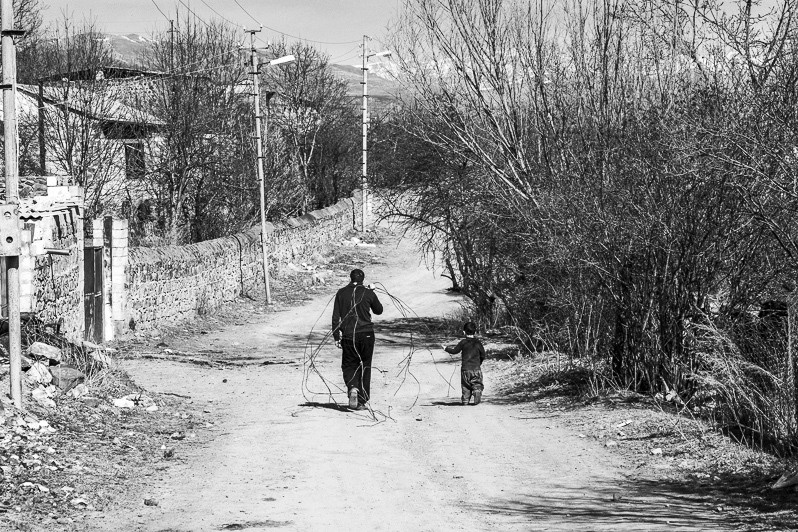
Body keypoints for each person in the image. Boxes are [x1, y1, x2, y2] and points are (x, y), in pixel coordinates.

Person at [332, 269, 383, 410]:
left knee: (349, 365)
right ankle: (361, 401)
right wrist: (372, 292)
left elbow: (336, 317)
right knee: (365, 366)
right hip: (367, 334)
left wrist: (336, 336)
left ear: (350, 278)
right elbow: (379, 310)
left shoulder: (341, 293)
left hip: (349, 335)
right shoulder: (368, 293)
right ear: (363, 279)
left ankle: (353, 387)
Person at [443, 321, 486, 405]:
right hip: (476, 369)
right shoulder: (478, 343)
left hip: (465, 369)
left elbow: (455, 351)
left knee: (465, 386)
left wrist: (446, 348)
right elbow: (483, 355)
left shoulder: (463, 342)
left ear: (464, 332)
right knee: (477, 383)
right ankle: (477, 391)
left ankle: (465, 400)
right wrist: (479, 363)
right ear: (475, 332)